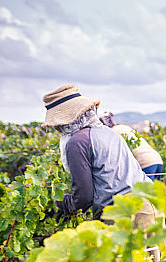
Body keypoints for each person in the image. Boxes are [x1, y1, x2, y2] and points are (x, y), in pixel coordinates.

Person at [42, 84, 158, 234]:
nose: (58, 129)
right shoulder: (108, 132)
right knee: (153, 249)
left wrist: (64, 204)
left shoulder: (77, 142)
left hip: (124, 212)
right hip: (150, 203)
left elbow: (84, 196)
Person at [100, 113, 164, 181]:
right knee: (156, 187)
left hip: (145, 163)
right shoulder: (124, 127)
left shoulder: (112, 132)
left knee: (145, 188)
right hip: (157, 159)